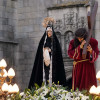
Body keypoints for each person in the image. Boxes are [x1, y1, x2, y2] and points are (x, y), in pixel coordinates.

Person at [28, 22, 67, 89]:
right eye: (48, 31)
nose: (49, 33)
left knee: (53, 76)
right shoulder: (43, 41)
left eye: (50, 31)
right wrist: (44, 50)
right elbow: (39, 53)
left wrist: (51, 51)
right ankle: (44, 87)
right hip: (44, 64)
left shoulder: (55, 42)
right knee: (45, 76)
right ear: (46, 32)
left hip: (54, 64)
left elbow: (57, 53)